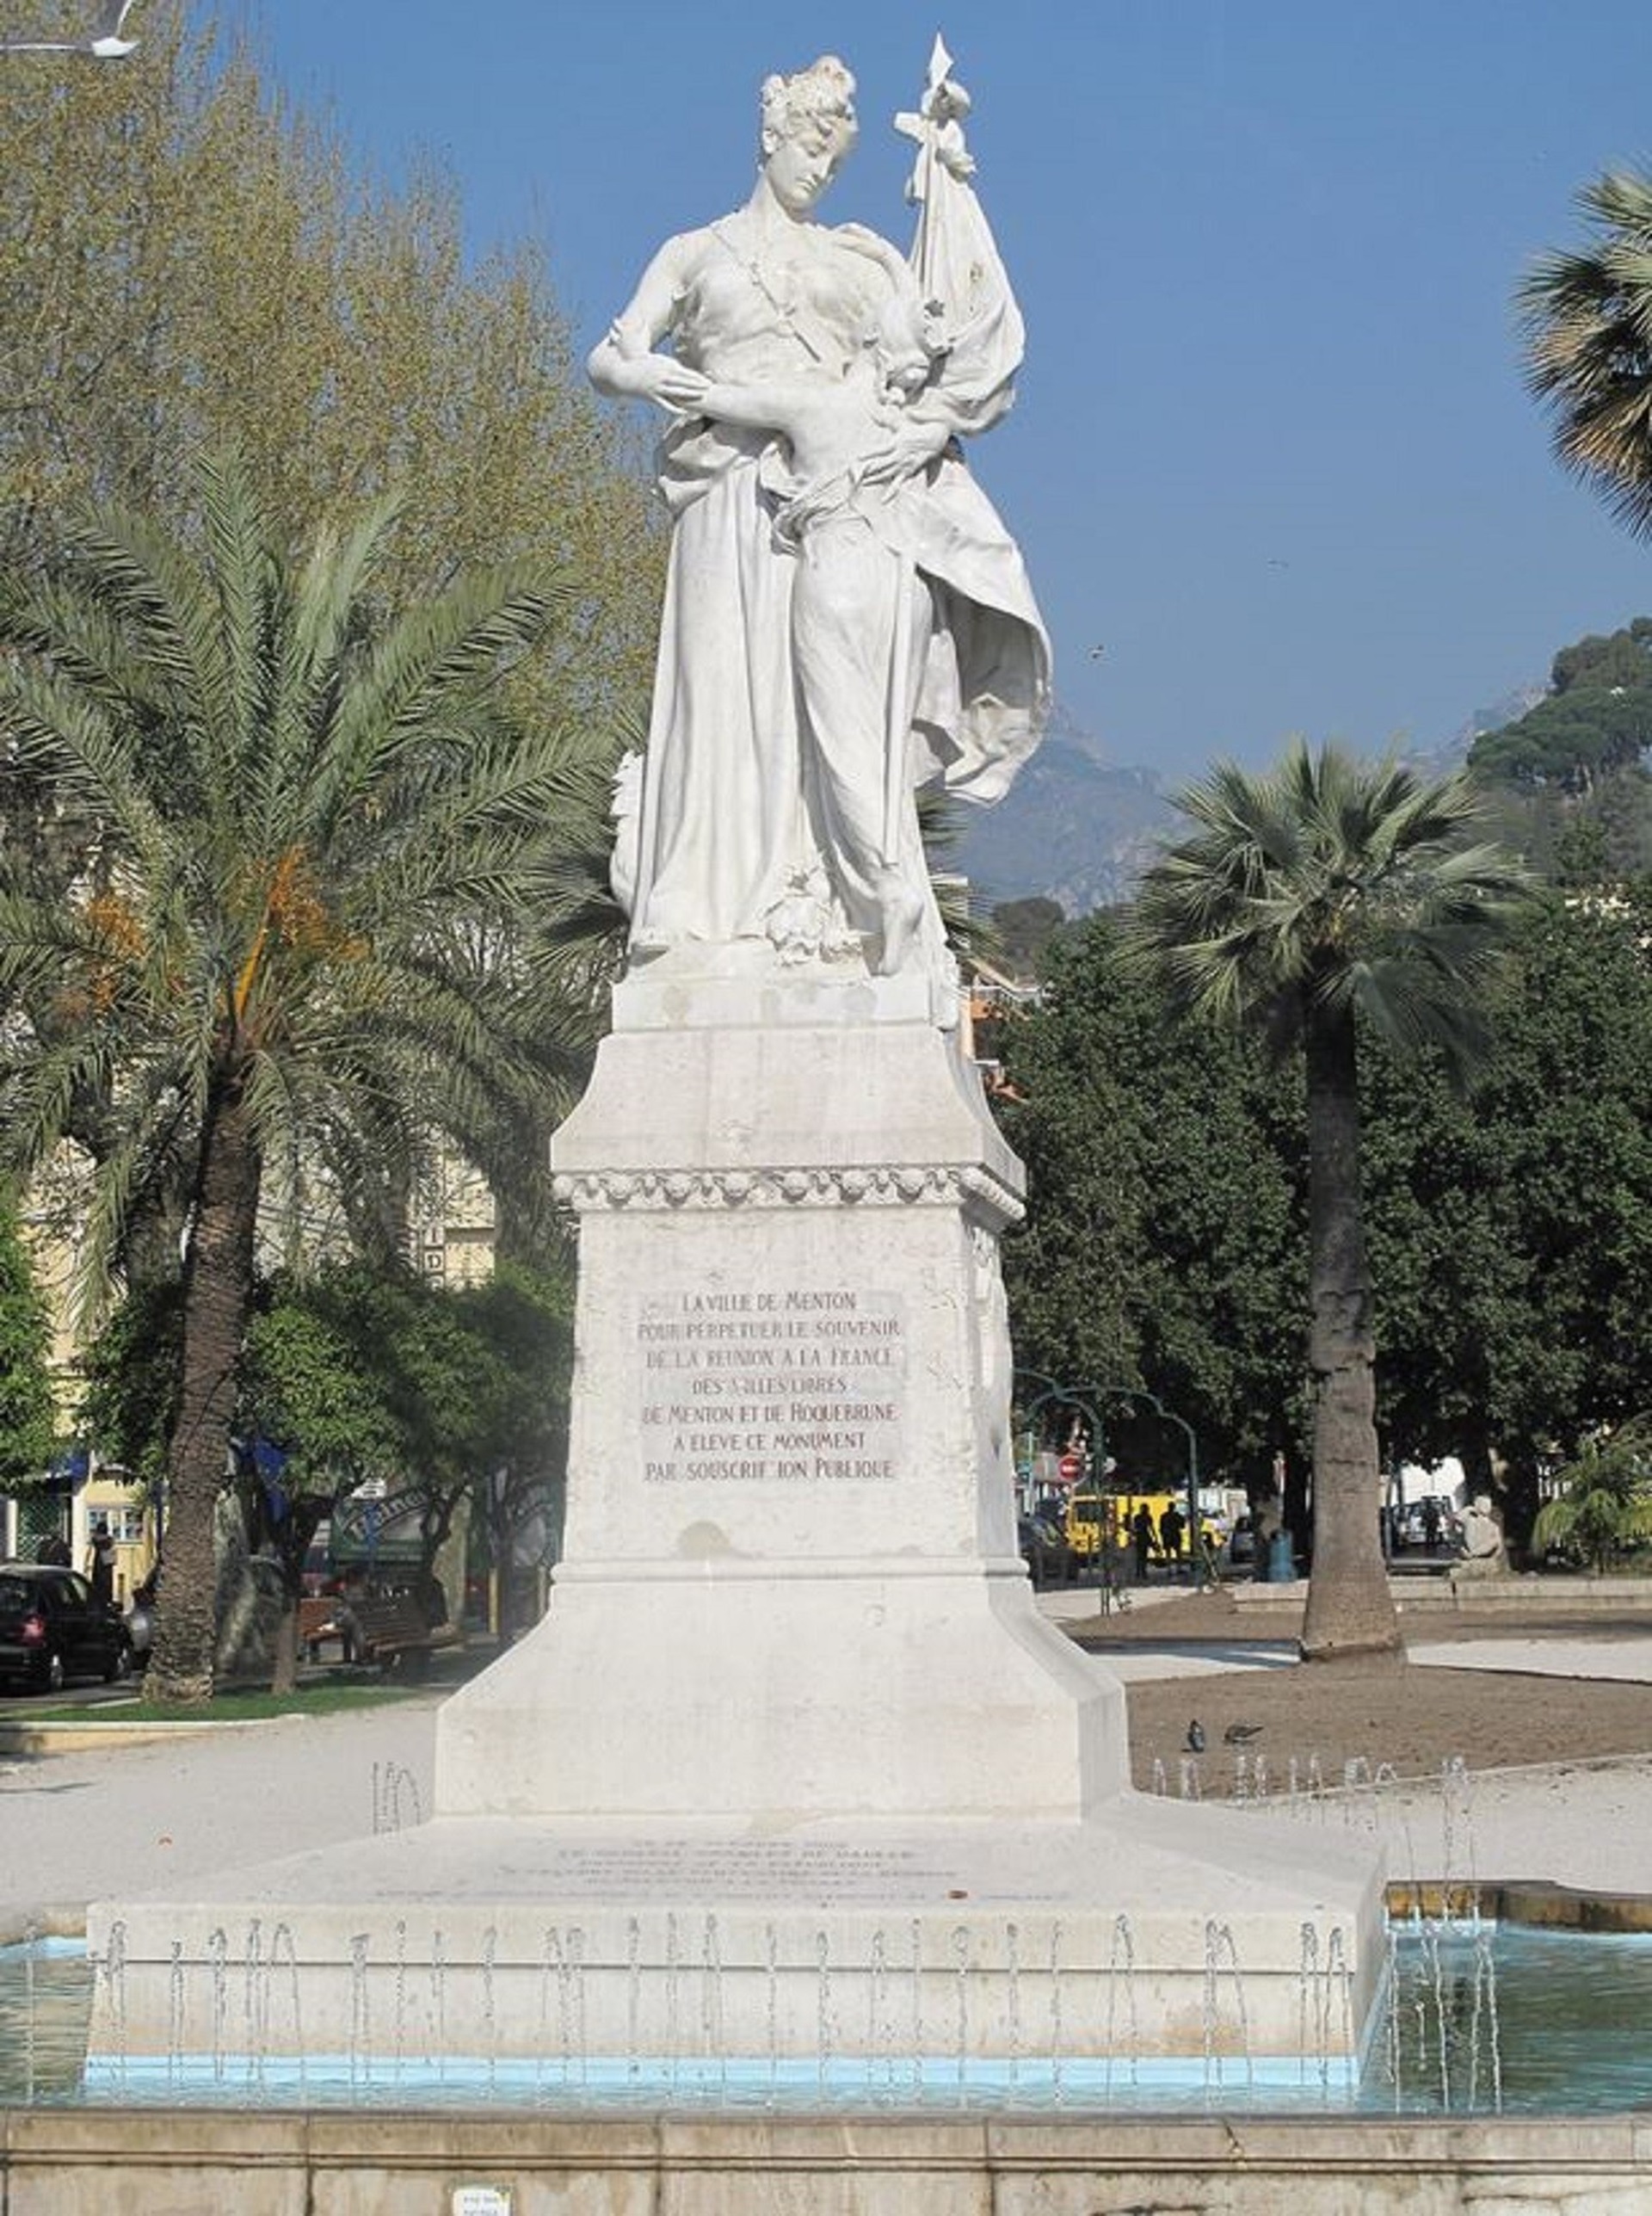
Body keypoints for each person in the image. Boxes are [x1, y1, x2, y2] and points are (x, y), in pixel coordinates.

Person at [589, 51, 1050, 1019]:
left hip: (840, 508)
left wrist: (953, 193)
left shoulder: (862, 257)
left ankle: (828, 911)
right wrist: (644, 378)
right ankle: (702, 907)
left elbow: (942, 344)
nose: (819, 169)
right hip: (726, 505)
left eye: (834, 156)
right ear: (771, 135)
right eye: (809, 145)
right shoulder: (697, 250)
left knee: (822, 716)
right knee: (722, 690)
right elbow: (611, 351)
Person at [85, 1520, 118, 1608]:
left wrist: (86, 1563)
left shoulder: (95, 1539)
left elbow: (89, 1551)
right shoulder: (110, 1539)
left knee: (97, 1582)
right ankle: (107, 1601)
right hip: (107, 1564)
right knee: (107, 1583)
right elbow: (113, 1551)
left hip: (98, 1562)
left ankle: (97, 1601)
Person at [1130, 1503, 1155, 1583]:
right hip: (1145, 1537)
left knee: (1139, 1556)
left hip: (1139, 1537)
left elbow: (1133, 1528)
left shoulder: (1137, 1517)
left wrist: (1133, 1535)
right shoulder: (1148, 1517)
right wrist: (1155, 1538)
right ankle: (1143, 1572)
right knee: (1144, 1555)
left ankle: (1138, 1572)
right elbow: (1151, 1528)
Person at [1158, 1501, 1185, 1565]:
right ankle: (1179, 1567)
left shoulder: (1164, 1516)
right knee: (1178, 1552)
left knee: (1168, 1552)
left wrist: (1163, 1536)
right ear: (1174, 1507)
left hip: (1167, 1536)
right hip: (1175, 1535)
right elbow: (1182, 1526)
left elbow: (1161, 1528)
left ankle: (1169, 1569)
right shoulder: (1178, 1516)